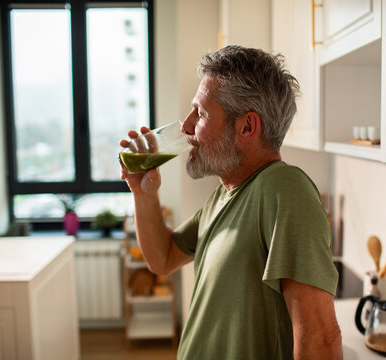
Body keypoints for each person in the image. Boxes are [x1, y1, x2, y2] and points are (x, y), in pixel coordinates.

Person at [120, 45, 342, 360]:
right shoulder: (224, 195)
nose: (185, 126)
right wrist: (143, 193)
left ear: (247, 127)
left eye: (200, 113)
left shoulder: (284, 189)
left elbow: (320, 340)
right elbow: (163, 258)